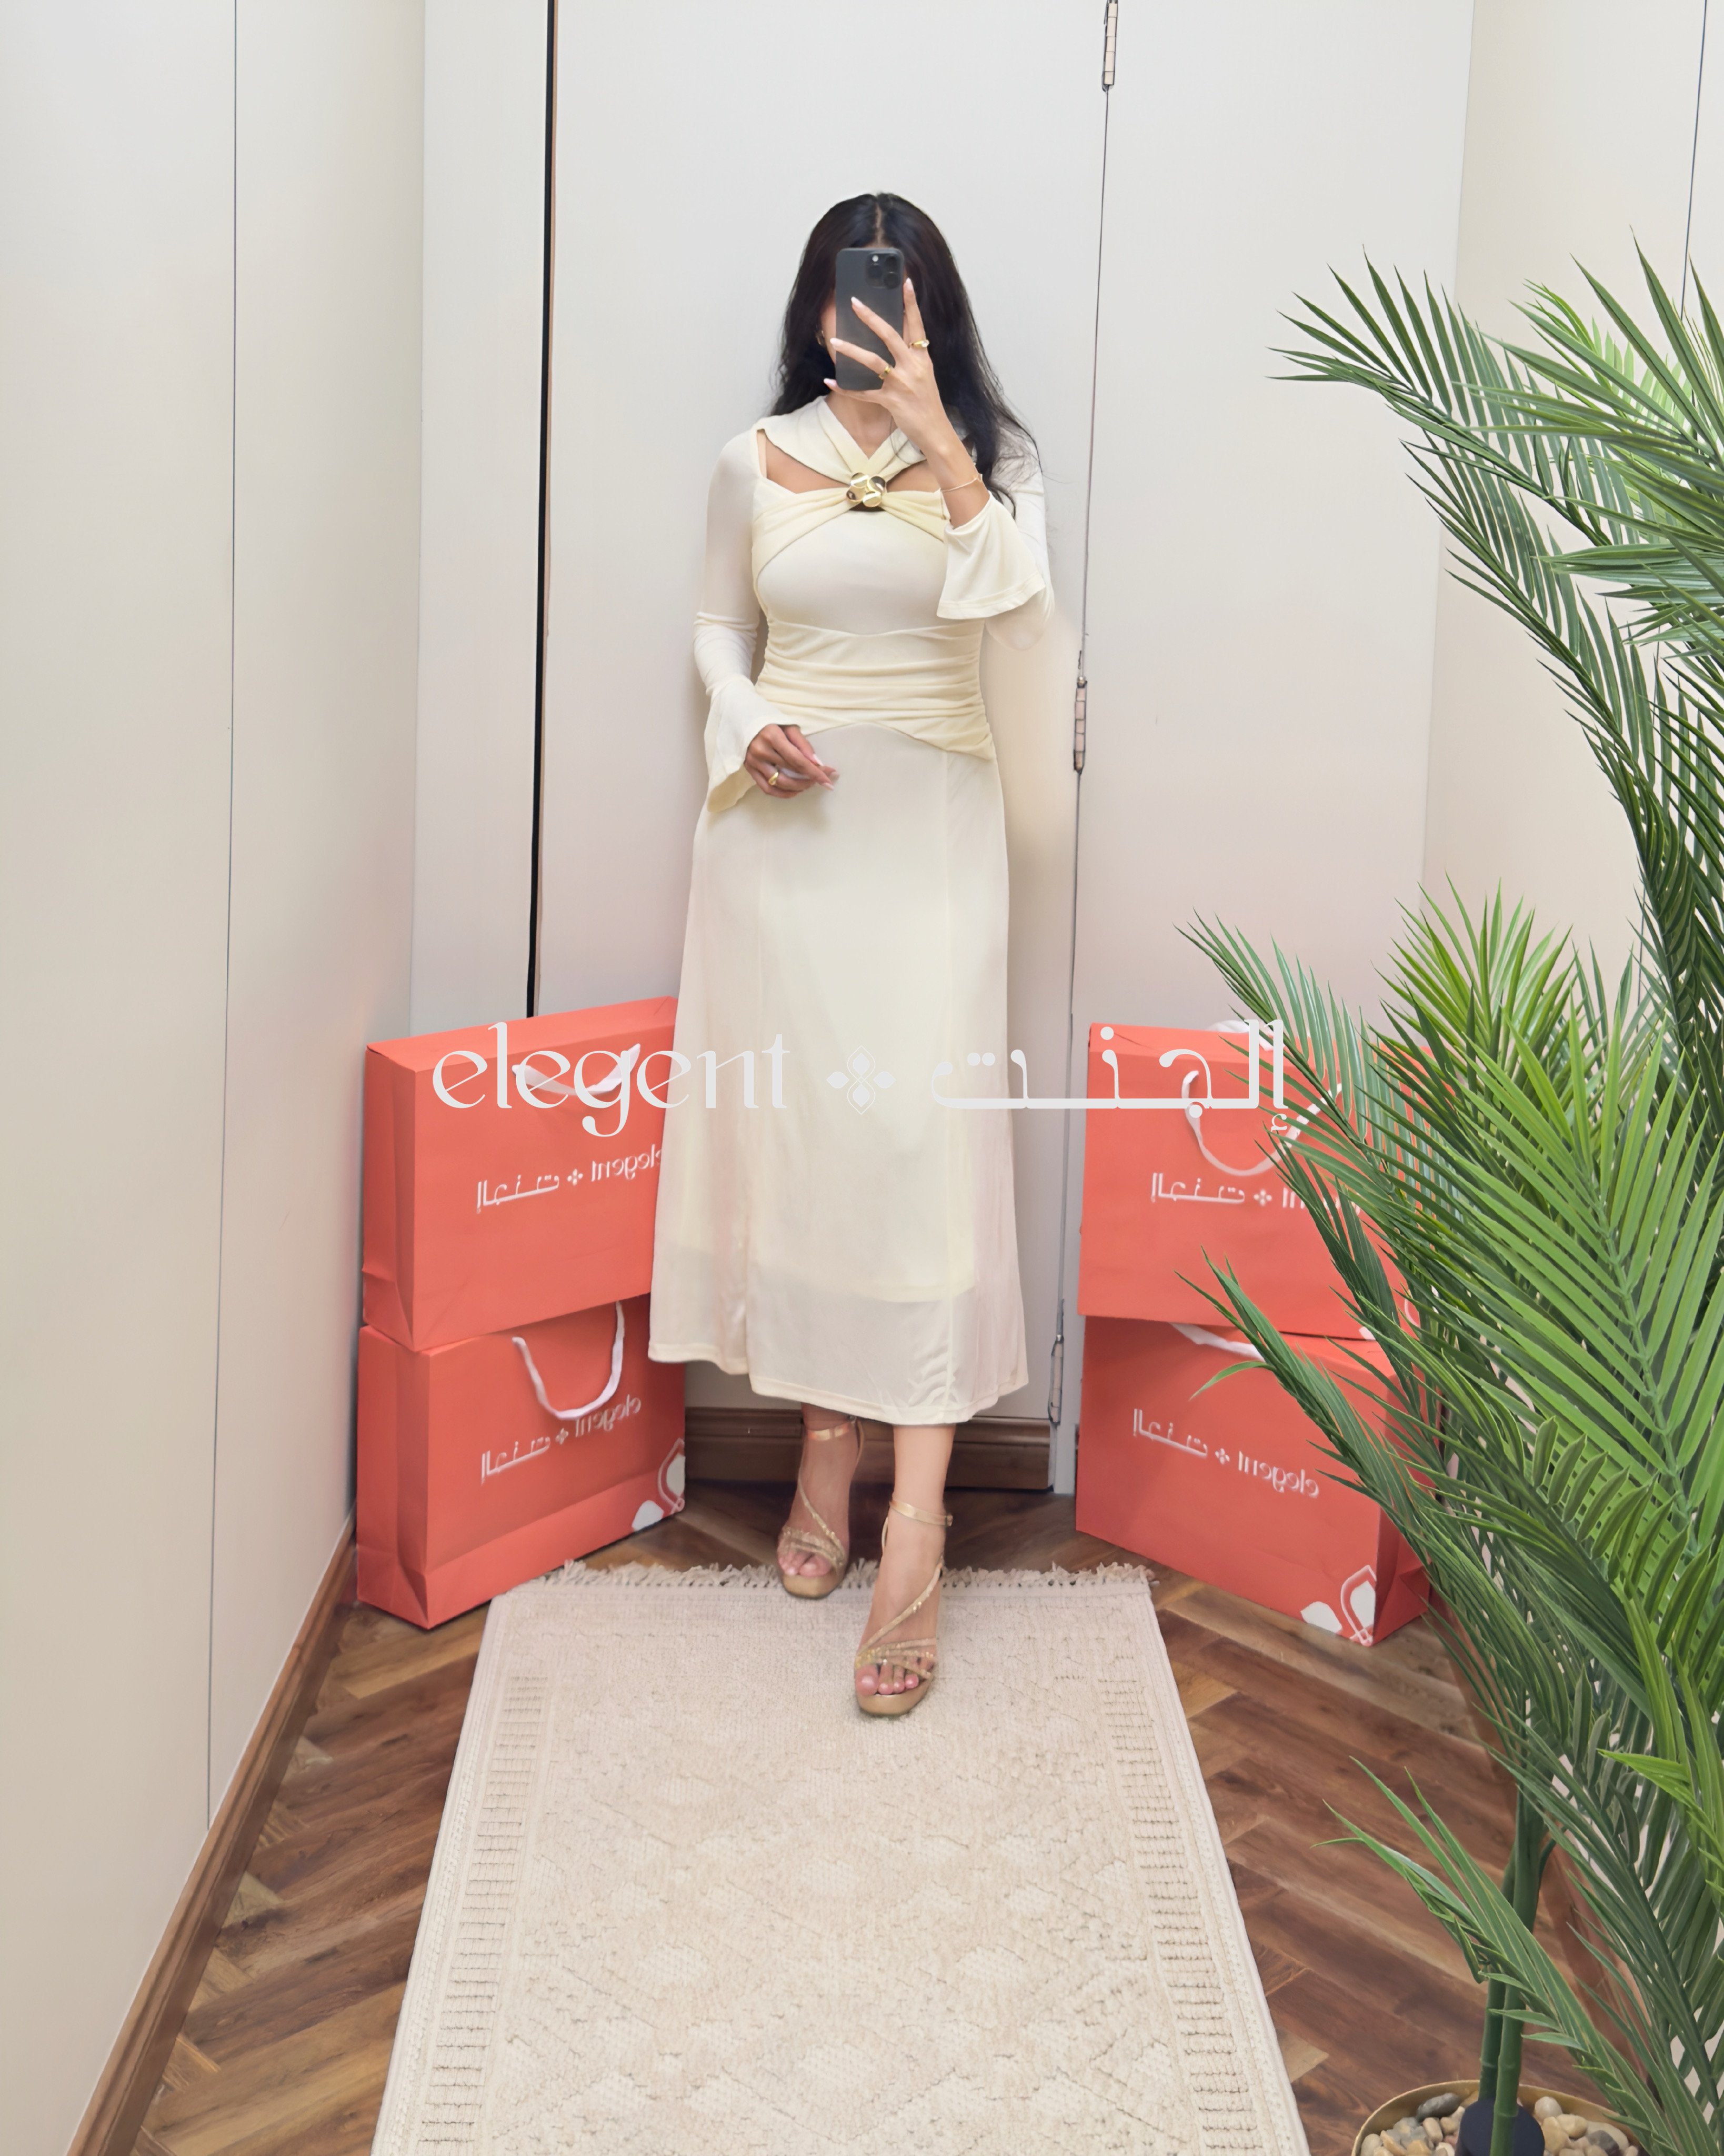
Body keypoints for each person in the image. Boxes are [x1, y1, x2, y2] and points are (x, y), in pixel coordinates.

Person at [647, 193, 1054, 1715]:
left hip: (933, 838)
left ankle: (918, 1525)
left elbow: (1021, 625)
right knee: (812, 1149)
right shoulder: (750, 461)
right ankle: (825, 1447)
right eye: (851, 293)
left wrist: (938, 435)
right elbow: (715, 629)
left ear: (933, 312)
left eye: (899, 296)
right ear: (814, 308)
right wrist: (748, 717)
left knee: (922, 1160)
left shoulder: (996, 471)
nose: (873, 318)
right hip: (786, 842)